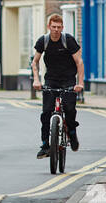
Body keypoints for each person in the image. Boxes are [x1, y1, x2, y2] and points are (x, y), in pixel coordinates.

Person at [31, 13, 84, 158]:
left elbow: (79, 62)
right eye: (53, 27)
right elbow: (35, 62)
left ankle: (72, 132)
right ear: (49, 26)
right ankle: (45, 144)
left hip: (68, 80)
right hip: (51, 80)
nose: (56, 30)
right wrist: (36, 80)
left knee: (69, 109)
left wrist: (80, 83)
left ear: (62, 27)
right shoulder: (44, 41)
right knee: (46, 112)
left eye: (59, 27)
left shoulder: (68, 40)